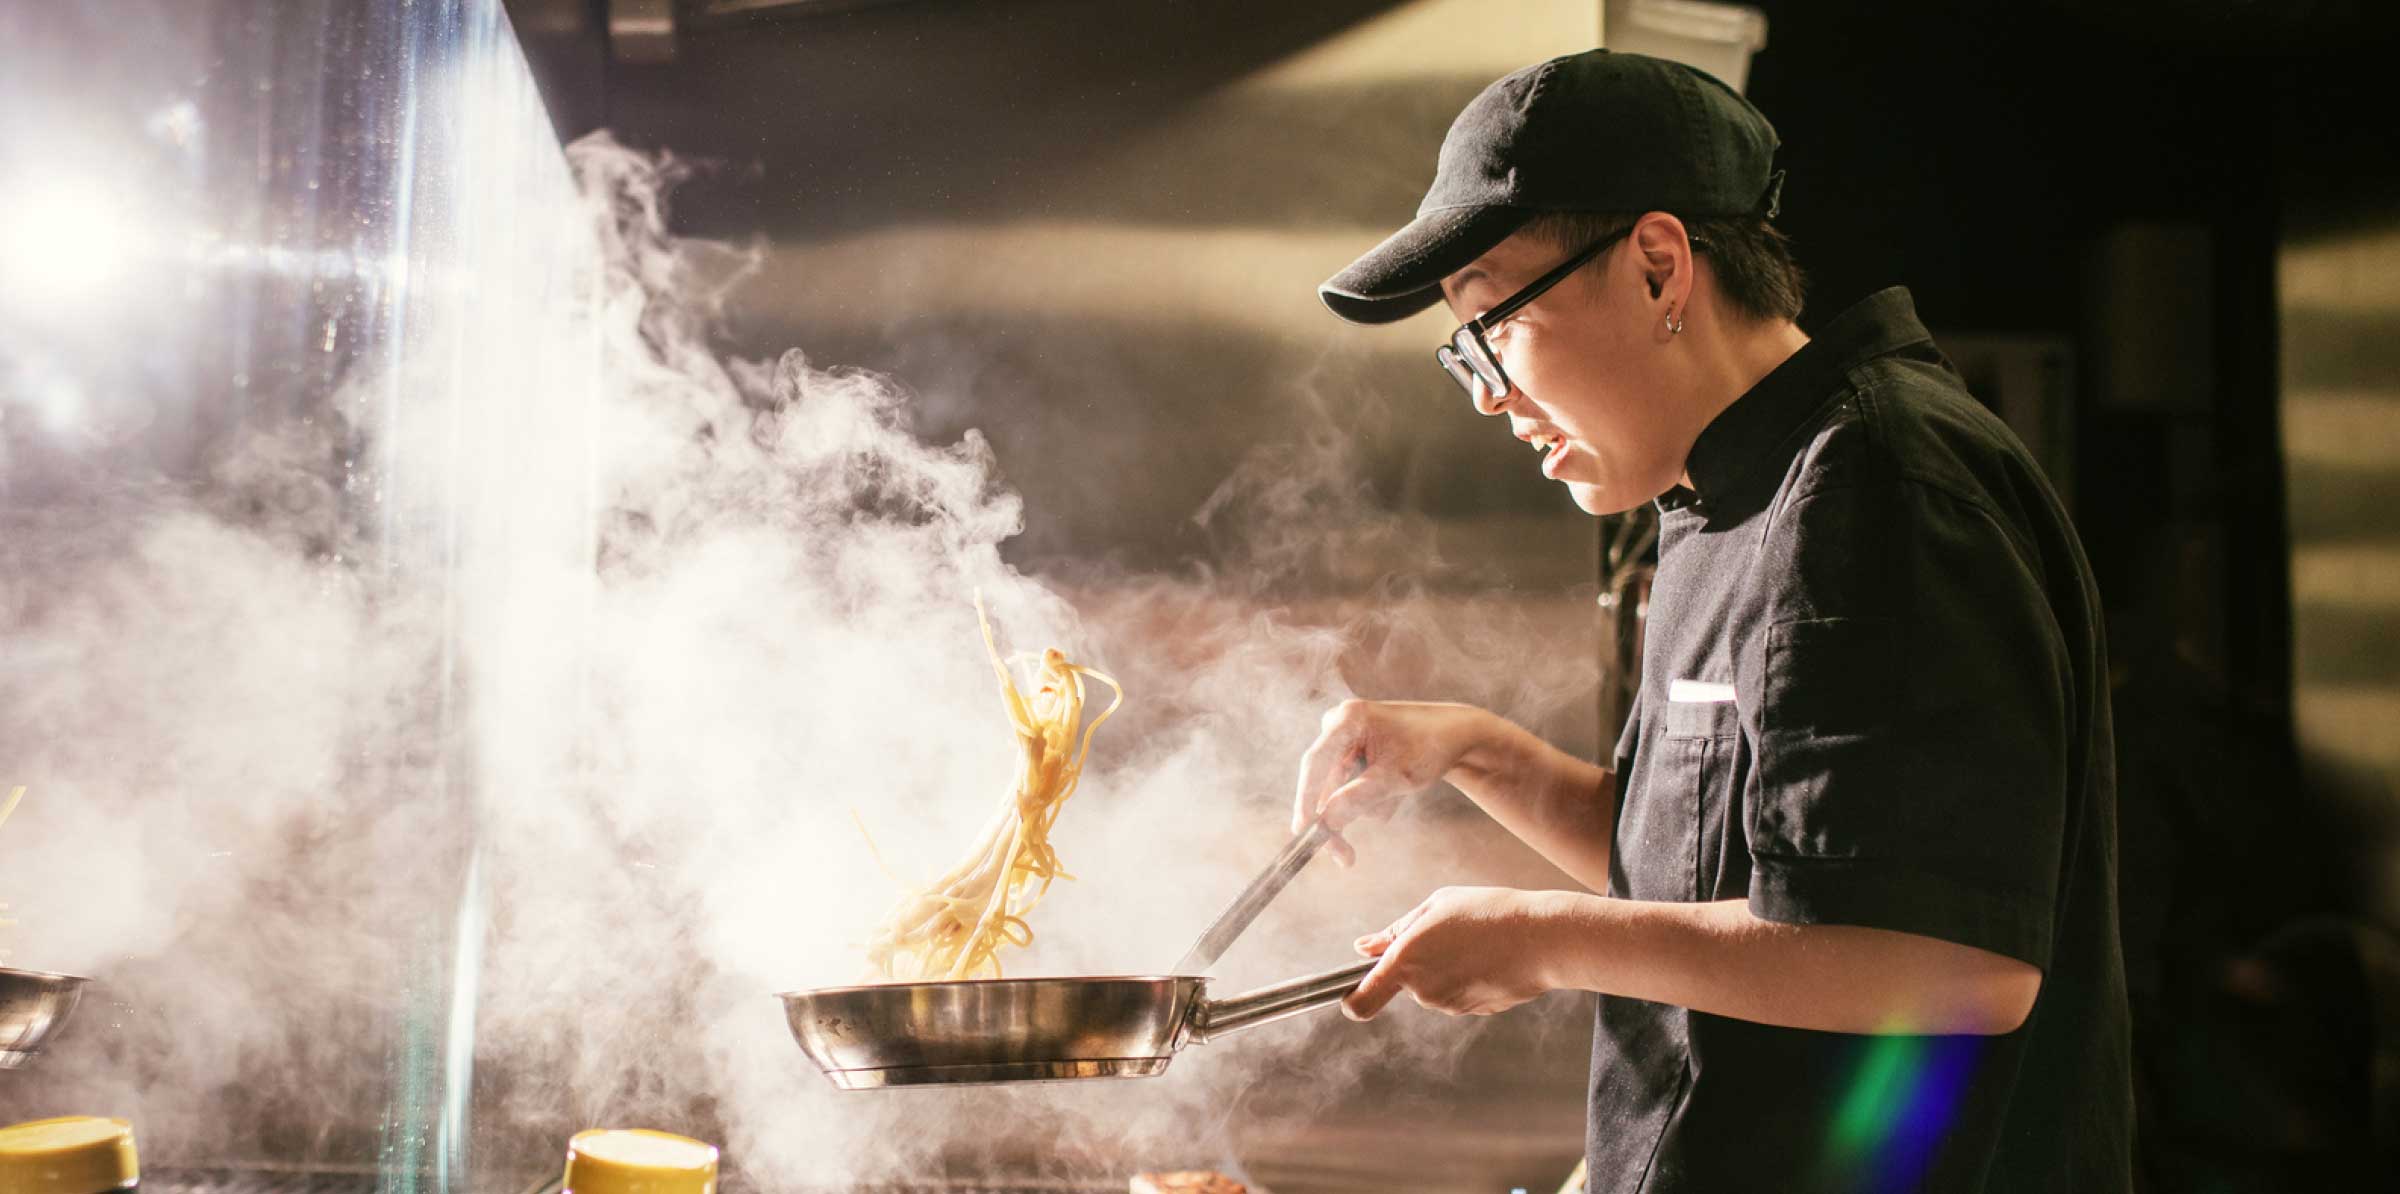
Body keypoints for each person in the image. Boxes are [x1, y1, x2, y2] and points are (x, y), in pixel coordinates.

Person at [1297, 49, 2133, 1192]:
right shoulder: (1713, 493)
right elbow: (1728, 871)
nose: (1487, 393)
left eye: (1493, 324)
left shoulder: (1877, 484)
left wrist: (1539, 941)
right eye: (1465, 352)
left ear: (1656, 268)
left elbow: (1954, 962)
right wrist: (1475, 749)